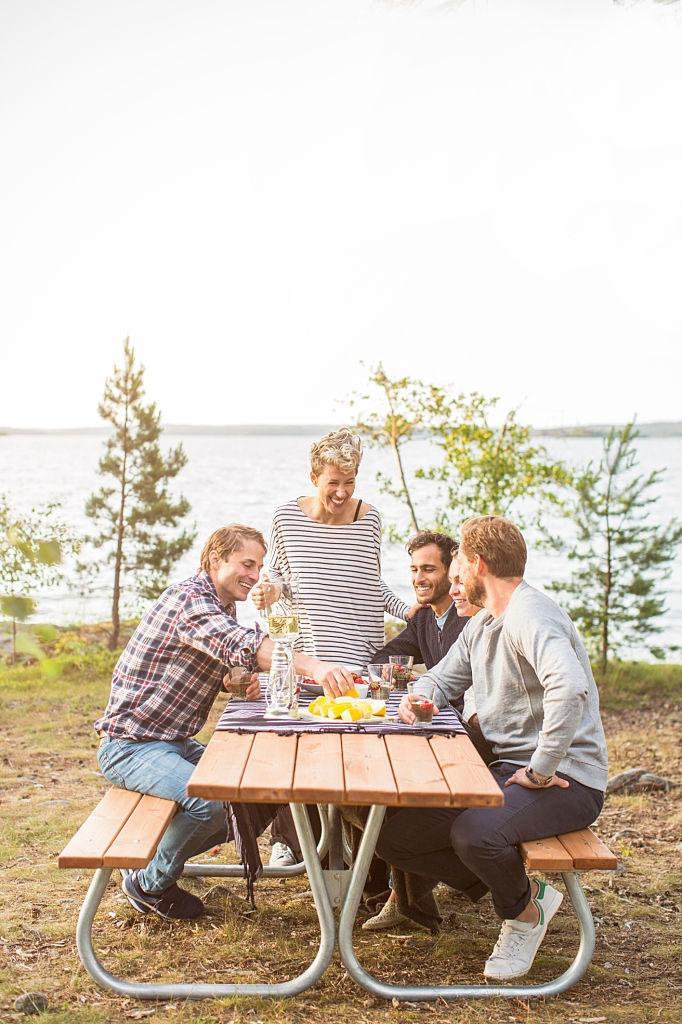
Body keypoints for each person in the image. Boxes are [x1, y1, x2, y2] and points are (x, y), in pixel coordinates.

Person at [377, 515, 608, 979]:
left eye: (457, 561)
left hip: (567, 780)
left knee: (475, 834)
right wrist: (420, 697)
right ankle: (526, 895)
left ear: (477, 563)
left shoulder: (530, 614)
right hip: (509, 771)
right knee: (394, 837)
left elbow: (569, 687)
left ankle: (520, 917)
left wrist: (543, 767)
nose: (455, 573)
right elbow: (444, 677)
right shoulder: (485, 621)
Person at [95, 524, 354, 921]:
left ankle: (163, 853)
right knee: (213, 803)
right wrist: (315, 667)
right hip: (131, 746)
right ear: (217, 559)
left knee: (257, 788)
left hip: (174, 740)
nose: (254, 575)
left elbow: (214, 655)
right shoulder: (190, 600)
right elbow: (240, 643)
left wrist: (231, 679)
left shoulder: (221, 604)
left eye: (260, 566)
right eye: (246, 564)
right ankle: (148, 880)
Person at [252, 427, 412, 867]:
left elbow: (371, 584)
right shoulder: (287, 518)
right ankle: (291, 841)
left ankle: (359, 853)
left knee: (357, 756)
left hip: (360, 655)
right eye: (332, 483)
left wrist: (407, 611)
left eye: (350, 482)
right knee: (301, 746)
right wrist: (267, 591)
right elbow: (281, 577)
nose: (341, 492)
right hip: (311, 655)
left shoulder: (370, 518)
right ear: (313, 476)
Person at [361, 542, 486, 932]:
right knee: (368, 790)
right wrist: (416, 679)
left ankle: (409, 896)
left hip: (471, 740)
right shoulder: (424, 619)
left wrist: (427, 684)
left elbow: (470, 690)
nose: (419, 578)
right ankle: (402, 896)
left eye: (429, 569)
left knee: (392, 795)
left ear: (452, 573)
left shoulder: (468, 619)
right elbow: (385, 658)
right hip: (435, 729)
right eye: (414, 569)